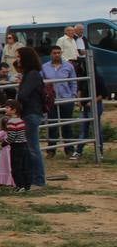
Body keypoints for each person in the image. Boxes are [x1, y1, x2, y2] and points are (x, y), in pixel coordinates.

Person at [15, 47, 47, 188]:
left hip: (31, 113)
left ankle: (38, 179)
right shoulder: (30, 74)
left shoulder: (32, 75)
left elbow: (23, 95)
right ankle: (34, 178)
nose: (17, 60)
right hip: (31, 112)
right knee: (31, 147)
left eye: (19, 57)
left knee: (32, 147)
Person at [40, 46, 77, 159]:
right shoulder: (44, 67)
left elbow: (73, 81)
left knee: (67, 125)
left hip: (66, 98)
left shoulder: (69, 66)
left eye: (58, 53)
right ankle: (51, 150)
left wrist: (73, 95)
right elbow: (41, 82)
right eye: (54, 53)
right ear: (51, 54)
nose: (57, 55)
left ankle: (69, 149)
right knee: (52, 125)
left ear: (61, 53)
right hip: (51, 100)